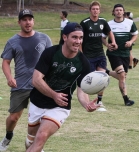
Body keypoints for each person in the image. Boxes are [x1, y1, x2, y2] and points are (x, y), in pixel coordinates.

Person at [25, 22, 99, 152]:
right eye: (74, 37)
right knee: (30, 142)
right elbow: (36, 80)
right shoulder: (51, 53)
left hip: (60, 106)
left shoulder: (83, 63)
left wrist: (87, 104)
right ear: (65, 37)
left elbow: (81, 91)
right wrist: (54, 94)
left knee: (41, 136)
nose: (78, 41)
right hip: (37, 102)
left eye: (80, 38)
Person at [0, 9, 52, 151]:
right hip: (21, 85)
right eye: (24, 19)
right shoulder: (12, 41)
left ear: (33, 21)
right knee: (13, 118)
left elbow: (52, 59)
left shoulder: (44, 38)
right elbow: (5, 62)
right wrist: (9, 78)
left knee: (41, 118)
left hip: (40, 85)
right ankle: (8, 136)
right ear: (19, 22)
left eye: (30, 19)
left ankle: (37, 145)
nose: (28, 22)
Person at [80, 1, 117, 112]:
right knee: (89, 79)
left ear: (99, 10)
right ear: (90, 10)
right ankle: (87, 101)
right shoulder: (85, 23)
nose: (95, 11)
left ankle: (99, 101)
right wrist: (81, 54)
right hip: (88, 56)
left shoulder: (103, 21)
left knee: (103, 77)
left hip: (100, 54)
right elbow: (80, 39)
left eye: (97, 9)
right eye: (93, 9)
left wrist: (113, 42)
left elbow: (109, 32)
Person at [103, 4, 138, 106]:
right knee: (122, 75)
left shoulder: (130, 23)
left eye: (120, 10)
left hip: (125, 53)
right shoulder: (108, 24)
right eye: (116, 10)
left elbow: (135, 34)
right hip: (113, 53)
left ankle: (107, 71)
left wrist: (131, 42)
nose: (118, 12)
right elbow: (102, 37)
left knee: (122, 77)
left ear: (124, 12)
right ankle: (126, 99)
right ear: (113, 12)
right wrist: (107, 44)